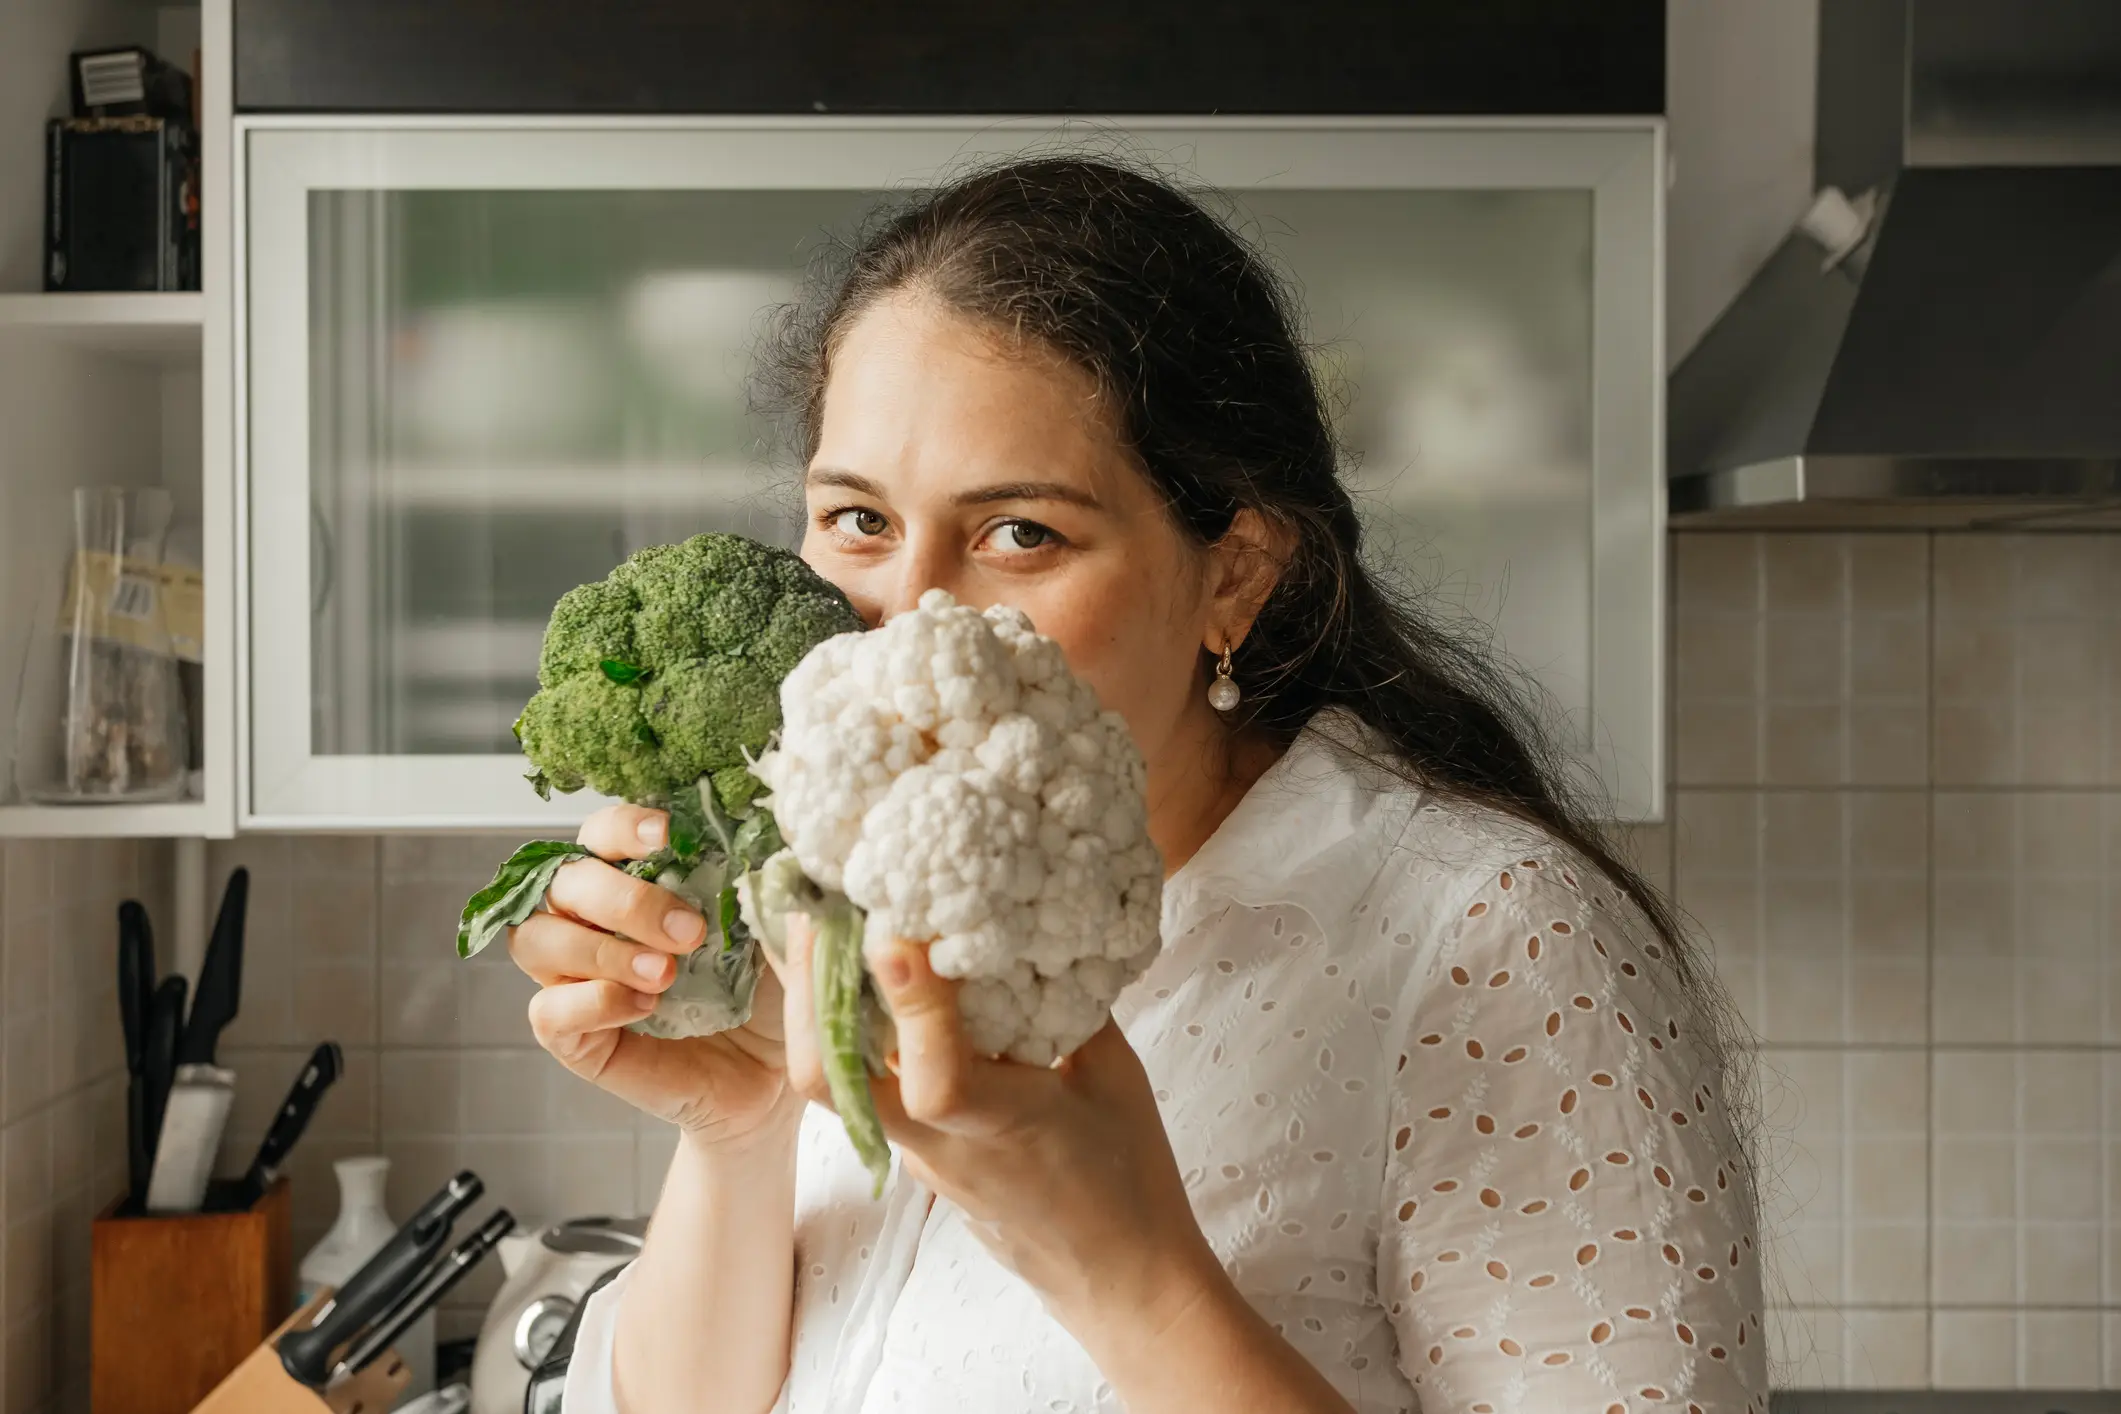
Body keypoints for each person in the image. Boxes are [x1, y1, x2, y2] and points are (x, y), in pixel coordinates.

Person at [507, 157, 1768, 1414]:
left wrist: (1129, 1273)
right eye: (857, 520)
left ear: (1235, 575)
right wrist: (739, 1137)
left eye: (1022, 534)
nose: (909, 622)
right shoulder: (842, 904)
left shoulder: (1496, 940)